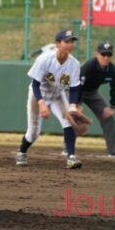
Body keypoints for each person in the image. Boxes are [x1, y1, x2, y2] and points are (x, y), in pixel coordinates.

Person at [15, 29, 83, 169]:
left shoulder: (74, 64)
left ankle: (71, 157)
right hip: (38, 94)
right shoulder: (45, 59)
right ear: (57, 44)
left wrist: (73, 105)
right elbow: (35, 84)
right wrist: (42, 104)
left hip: (58, 95)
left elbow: (75, 88)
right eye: (66, 41)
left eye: (72, 41)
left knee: (68, 121)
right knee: (34, 132)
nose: (70, 44)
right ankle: (21, 152)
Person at [79, 41, 115, 157]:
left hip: (92, 93)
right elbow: (77, 85)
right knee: (74, 115)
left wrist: (112, 106)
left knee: (108, 117)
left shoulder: (113, 71)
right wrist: (77, 104)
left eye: (109, 55)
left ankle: (113, 150)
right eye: (103, 54)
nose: (106, 57)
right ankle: (67, 148)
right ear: (97, 54)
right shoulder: (89, 66)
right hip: (76, 90)